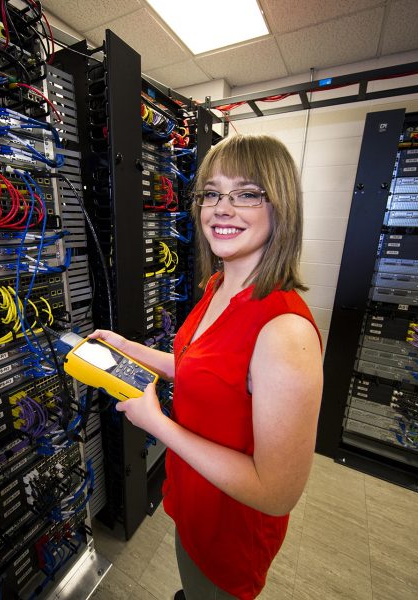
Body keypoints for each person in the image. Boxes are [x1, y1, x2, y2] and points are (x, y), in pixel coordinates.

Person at [90, 134, 323, 599]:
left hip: (230, 535)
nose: (222, 207)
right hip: (193, 501)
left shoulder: (284, 332)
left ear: (281, 207)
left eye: (247, 193)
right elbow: (197, 368)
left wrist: (157, 424)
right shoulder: (218, 286)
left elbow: (277, 493)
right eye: (212, 193)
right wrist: (126, 347)